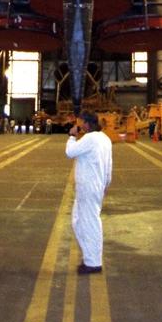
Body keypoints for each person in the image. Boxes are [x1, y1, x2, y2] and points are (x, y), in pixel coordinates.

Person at [65, 110, 112, 275]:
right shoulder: (105, 139)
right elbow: (109, 166)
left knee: (90, 223)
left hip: (89, 187)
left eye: (81, 122)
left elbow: (70, 152)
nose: (79, 126)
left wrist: (71, 136)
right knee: (78, 221)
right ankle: (89, 257)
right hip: (95, 186)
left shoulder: (90, 138)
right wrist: (106, 184)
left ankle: (93, 263)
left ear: (86, 123)